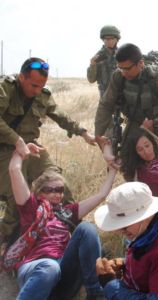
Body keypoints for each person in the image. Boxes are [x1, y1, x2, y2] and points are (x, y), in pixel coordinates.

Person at [0, 57, 95, 250]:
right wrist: (17, 140)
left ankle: (71, 232)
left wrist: (84, 133)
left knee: (58, 183)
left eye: (41, 86)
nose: (37, 90)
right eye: (33, 85)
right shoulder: (5, 88)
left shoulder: (42, 94)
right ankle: (7, 240)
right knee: (16, 194)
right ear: (21, 77)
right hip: (4, 149)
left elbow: (59, 115)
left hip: (31, 148)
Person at [6, 143, 117, 300]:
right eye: (50, 190)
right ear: (39, 192)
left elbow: (101, 195)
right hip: (36, 270)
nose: (56, 194)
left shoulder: (67, 212)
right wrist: (20, 152)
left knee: (87, 227)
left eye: (59, 190)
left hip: (62, 275)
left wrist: (113, 170)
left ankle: (95, 293)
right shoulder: (30, 207)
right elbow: (14, 171)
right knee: (49, 267)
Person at [94, 181, 158, 300]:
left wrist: (110, 285)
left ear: (147, 216)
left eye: (125, 225)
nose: (120, 231)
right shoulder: (147, 231)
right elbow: (149, 263)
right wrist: (125, 264)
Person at [94, 43, 158, 146]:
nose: (124, 73)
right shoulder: (118, 76)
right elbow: (106, 104)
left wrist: (156, 122)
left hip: (157, 126)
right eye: (120, 68)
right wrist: (98, 134)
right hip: (134, 121)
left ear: (140, 63)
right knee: (125, 158)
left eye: (127, 68)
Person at [87, 25, 121, 98]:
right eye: (106, 39)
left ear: (117, 39)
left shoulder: (122, 54)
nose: (109, 41)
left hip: (122, 96)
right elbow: (91, 80)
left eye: (112, 38)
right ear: (103, 40)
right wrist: (93, 65)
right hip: (105, 98)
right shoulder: (98, 57)